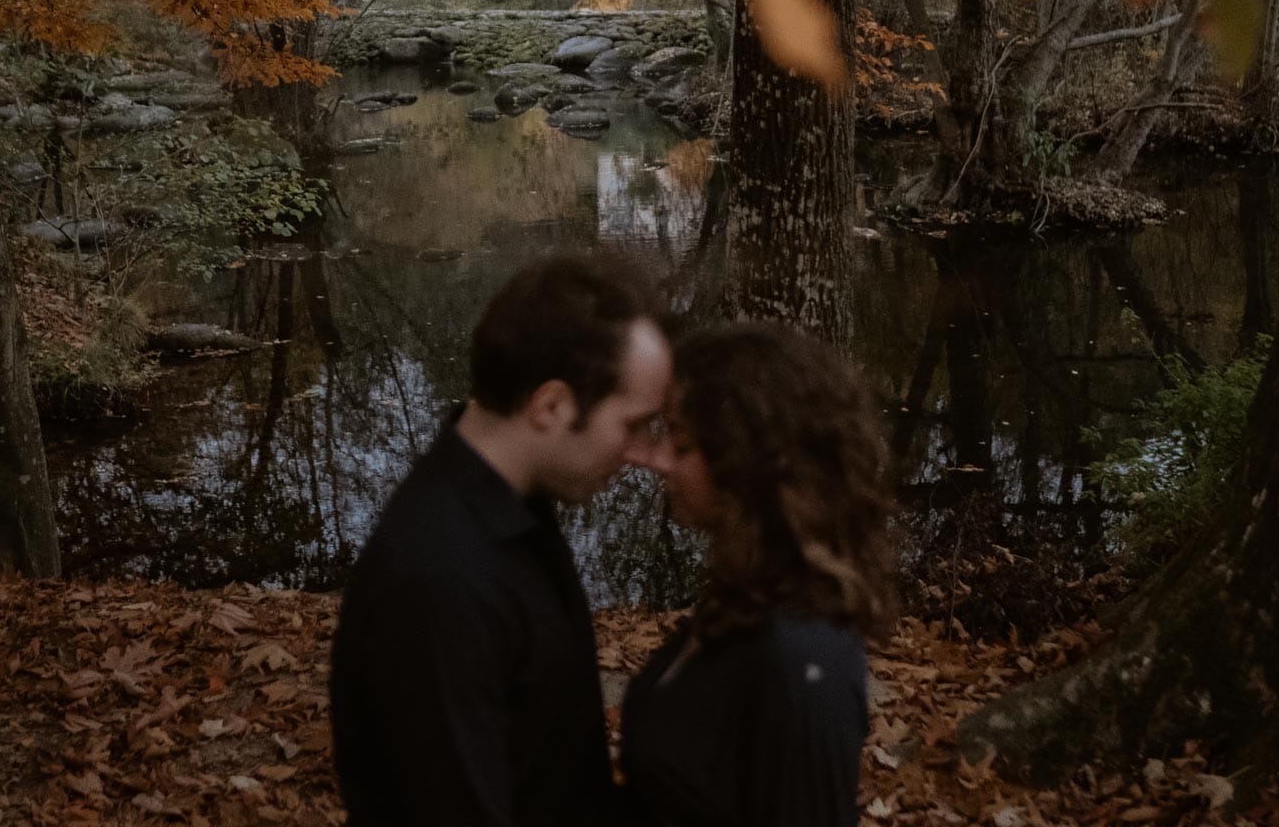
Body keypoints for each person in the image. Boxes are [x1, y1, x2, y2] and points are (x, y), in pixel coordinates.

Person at [329, 254, 672, 827]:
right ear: (552, 406)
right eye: (633, 425)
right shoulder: (438, 584)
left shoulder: (513, 510)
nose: (644, 454)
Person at [622, 321, 896, 827]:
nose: (657, 460)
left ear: (745, 460)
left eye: (680, 444)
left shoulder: (801, 661)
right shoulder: (743, 597)